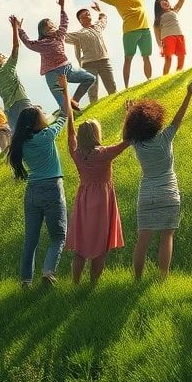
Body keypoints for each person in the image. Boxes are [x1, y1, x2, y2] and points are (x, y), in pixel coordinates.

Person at [122, 79, 192, 279]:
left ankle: (137, 279)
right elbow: (178, 118)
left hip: (147, 194)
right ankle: (162, 278)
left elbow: (130, 132)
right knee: (167, 237)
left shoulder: (137, 143)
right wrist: (189, 93)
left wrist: (129, 114)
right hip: (169, 193)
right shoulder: (166, 137)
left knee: (143, 239)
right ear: (155, 120)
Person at [8, 75, 70, 287]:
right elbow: (65, 115)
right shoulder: (47, 135)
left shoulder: (20, 145)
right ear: (37, 122)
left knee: (31, 240)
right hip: (52, 188)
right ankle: (48, 273)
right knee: (58, 236)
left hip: (32, 191)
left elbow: (54, 117)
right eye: (41, 114)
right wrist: (64, 90)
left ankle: (26, 281)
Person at [63, 94, 129, 286]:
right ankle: (92, 284)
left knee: (81, 247)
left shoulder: (77, 153)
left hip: (83, 199)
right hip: (103, 200)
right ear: (96, 134)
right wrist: (127, 115)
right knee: (100, 246)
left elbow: (70, 135)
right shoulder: (104, 153)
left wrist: (70, 116)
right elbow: (126, 141)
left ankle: (75, 283)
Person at [67, 0, 156, 87]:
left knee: (146, 56)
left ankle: (149, 80)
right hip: (130, 32)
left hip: (145, 30)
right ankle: (126, 86)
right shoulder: (116, 0)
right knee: (128, 59)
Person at [18, 0, 95, 112]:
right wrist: (20, 29)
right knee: (63, 105)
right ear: (43, 31)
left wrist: (62, 8)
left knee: (90, 78)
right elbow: (27, 43)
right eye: (49, 26)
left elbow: (64, 23)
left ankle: (74, 101)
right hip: (52, 75)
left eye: (53, 25)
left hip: (67, 69)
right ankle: (68, 112)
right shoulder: (40, 44)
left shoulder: (59, 35)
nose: (53, 27)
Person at [65, 2, 117, 105]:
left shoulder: (97, 27)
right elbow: (63, 37)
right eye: (83, 16)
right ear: (80, 21)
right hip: (89, 65)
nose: (87, 16)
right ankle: (94, 108)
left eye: (88, 13)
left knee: (111, 86)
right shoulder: (79, 34)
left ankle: (116, 104)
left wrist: (99, 11)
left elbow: (103, 18)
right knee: (92, 90)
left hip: (104, 61)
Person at [153, 0, 186, 75]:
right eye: (162, 1)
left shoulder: (174, 10)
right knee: (168, 58)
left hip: (179, 35)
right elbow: (156, 34)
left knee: (181, 56)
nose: (165, 2)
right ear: (159, 5)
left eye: (167, 0)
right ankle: (164, 78)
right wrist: (160, 47)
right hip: (167, 37)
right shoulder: (158, 18)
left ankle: (178, 75)